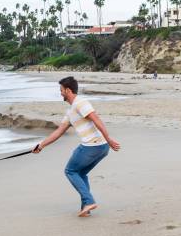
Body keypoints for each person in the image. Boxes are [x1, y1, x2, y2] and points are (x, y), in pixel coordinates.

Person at [32, 76, 121, 217]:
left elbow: (96, 119)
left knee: (70, 171)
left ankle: (89, 201)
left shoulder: (81, 103)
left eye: (61, 90)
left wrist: (108, 138)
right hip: (101, 147)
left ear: (68, 90)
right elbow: (59, 132)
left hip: (93, 145)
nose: (60, 93)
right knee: (81, 173)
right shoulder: (71, 111)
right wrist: (41, 145)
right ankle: (86, 207)